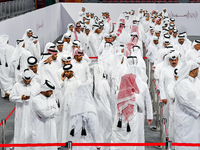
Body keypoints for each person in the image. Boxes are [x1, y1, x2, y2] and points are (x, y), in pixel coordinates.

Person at [111, 73, 143, 150]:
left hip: (119, 122)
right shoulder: (137, 96)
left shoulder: (117, 94)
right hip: (131, 123)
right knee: (130, 143)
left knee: (117, 143)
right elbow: (141, 109)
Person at [10, 69, 40, 150]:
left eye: (29, 80)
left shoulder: (36, 85)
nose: (27, 82)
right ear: (22, 78)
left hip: (33, 111)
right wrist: (20, 98)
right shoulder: (17, 85)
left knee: (32, 128)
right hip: (21, 111)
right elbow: (11, 97)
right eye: (25, 80)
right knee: (20, 128)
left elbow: (40, 98)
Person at [174, 60, 200, 150]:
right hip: (185, 118)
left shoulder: (197, 82)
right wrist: (198, 110)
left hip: (196, 119)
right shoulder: (182, 83)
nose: (198, 71)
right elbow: (184, 101)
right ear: (193, 70)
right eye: (197, 69)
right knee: (184, 143)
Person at [69, 83, 101, 150]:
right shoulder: (90, 108)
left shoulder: (73, 107)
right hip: (86, 143)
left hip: (75, 143)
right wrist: (98, 144)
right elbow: (94, 129)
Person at [57, 64, 81, 143]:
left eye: (67, 72)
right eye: (65, 72)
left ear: (72, 72)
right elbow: (58, 89)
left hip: (73, 107)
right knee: (63, 123)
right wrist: (62, 80)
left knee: (71, 124)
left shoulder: (77, 82)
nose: (66, 73)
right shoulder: (65, 81)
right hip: (64, 106)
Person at [31, 80, 59, 150]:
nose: (52, 93)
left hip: (51, 127)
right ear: (45, 90)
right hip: (40, 129)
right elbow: (45, 114)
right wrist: (52, 110)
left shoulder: (52, 99)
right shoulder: (36, 100)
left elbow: (57, 112)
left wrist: (49, 111)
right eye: (50, 91)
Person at [90, 64, 113, 150]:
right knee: (106, 131)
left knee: (97, 130)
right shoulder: (104, 82)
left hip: (95, 110)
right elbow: (108, 95)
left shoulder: (91, 83)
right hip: (105, 109)